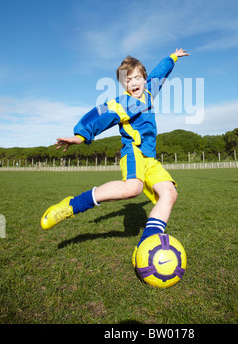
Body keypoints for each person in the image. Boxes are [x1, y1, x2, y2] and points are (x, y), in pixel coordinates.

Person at [41, 48, 189, 263]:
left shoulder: (149, 92)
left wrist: (173, 57)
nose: (134, 82)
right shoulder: (121, 103)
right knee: (133, 189)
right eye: (128, 80)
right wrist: (80, 136)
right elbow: (98, 117)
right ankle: (71, 206)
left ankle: (146, 246)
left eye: (138, 77)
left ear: (144, 79)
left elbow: (160, 72)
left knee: (170, 193)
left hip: (151, 158)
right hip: (134, 153)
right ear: (123, 85)